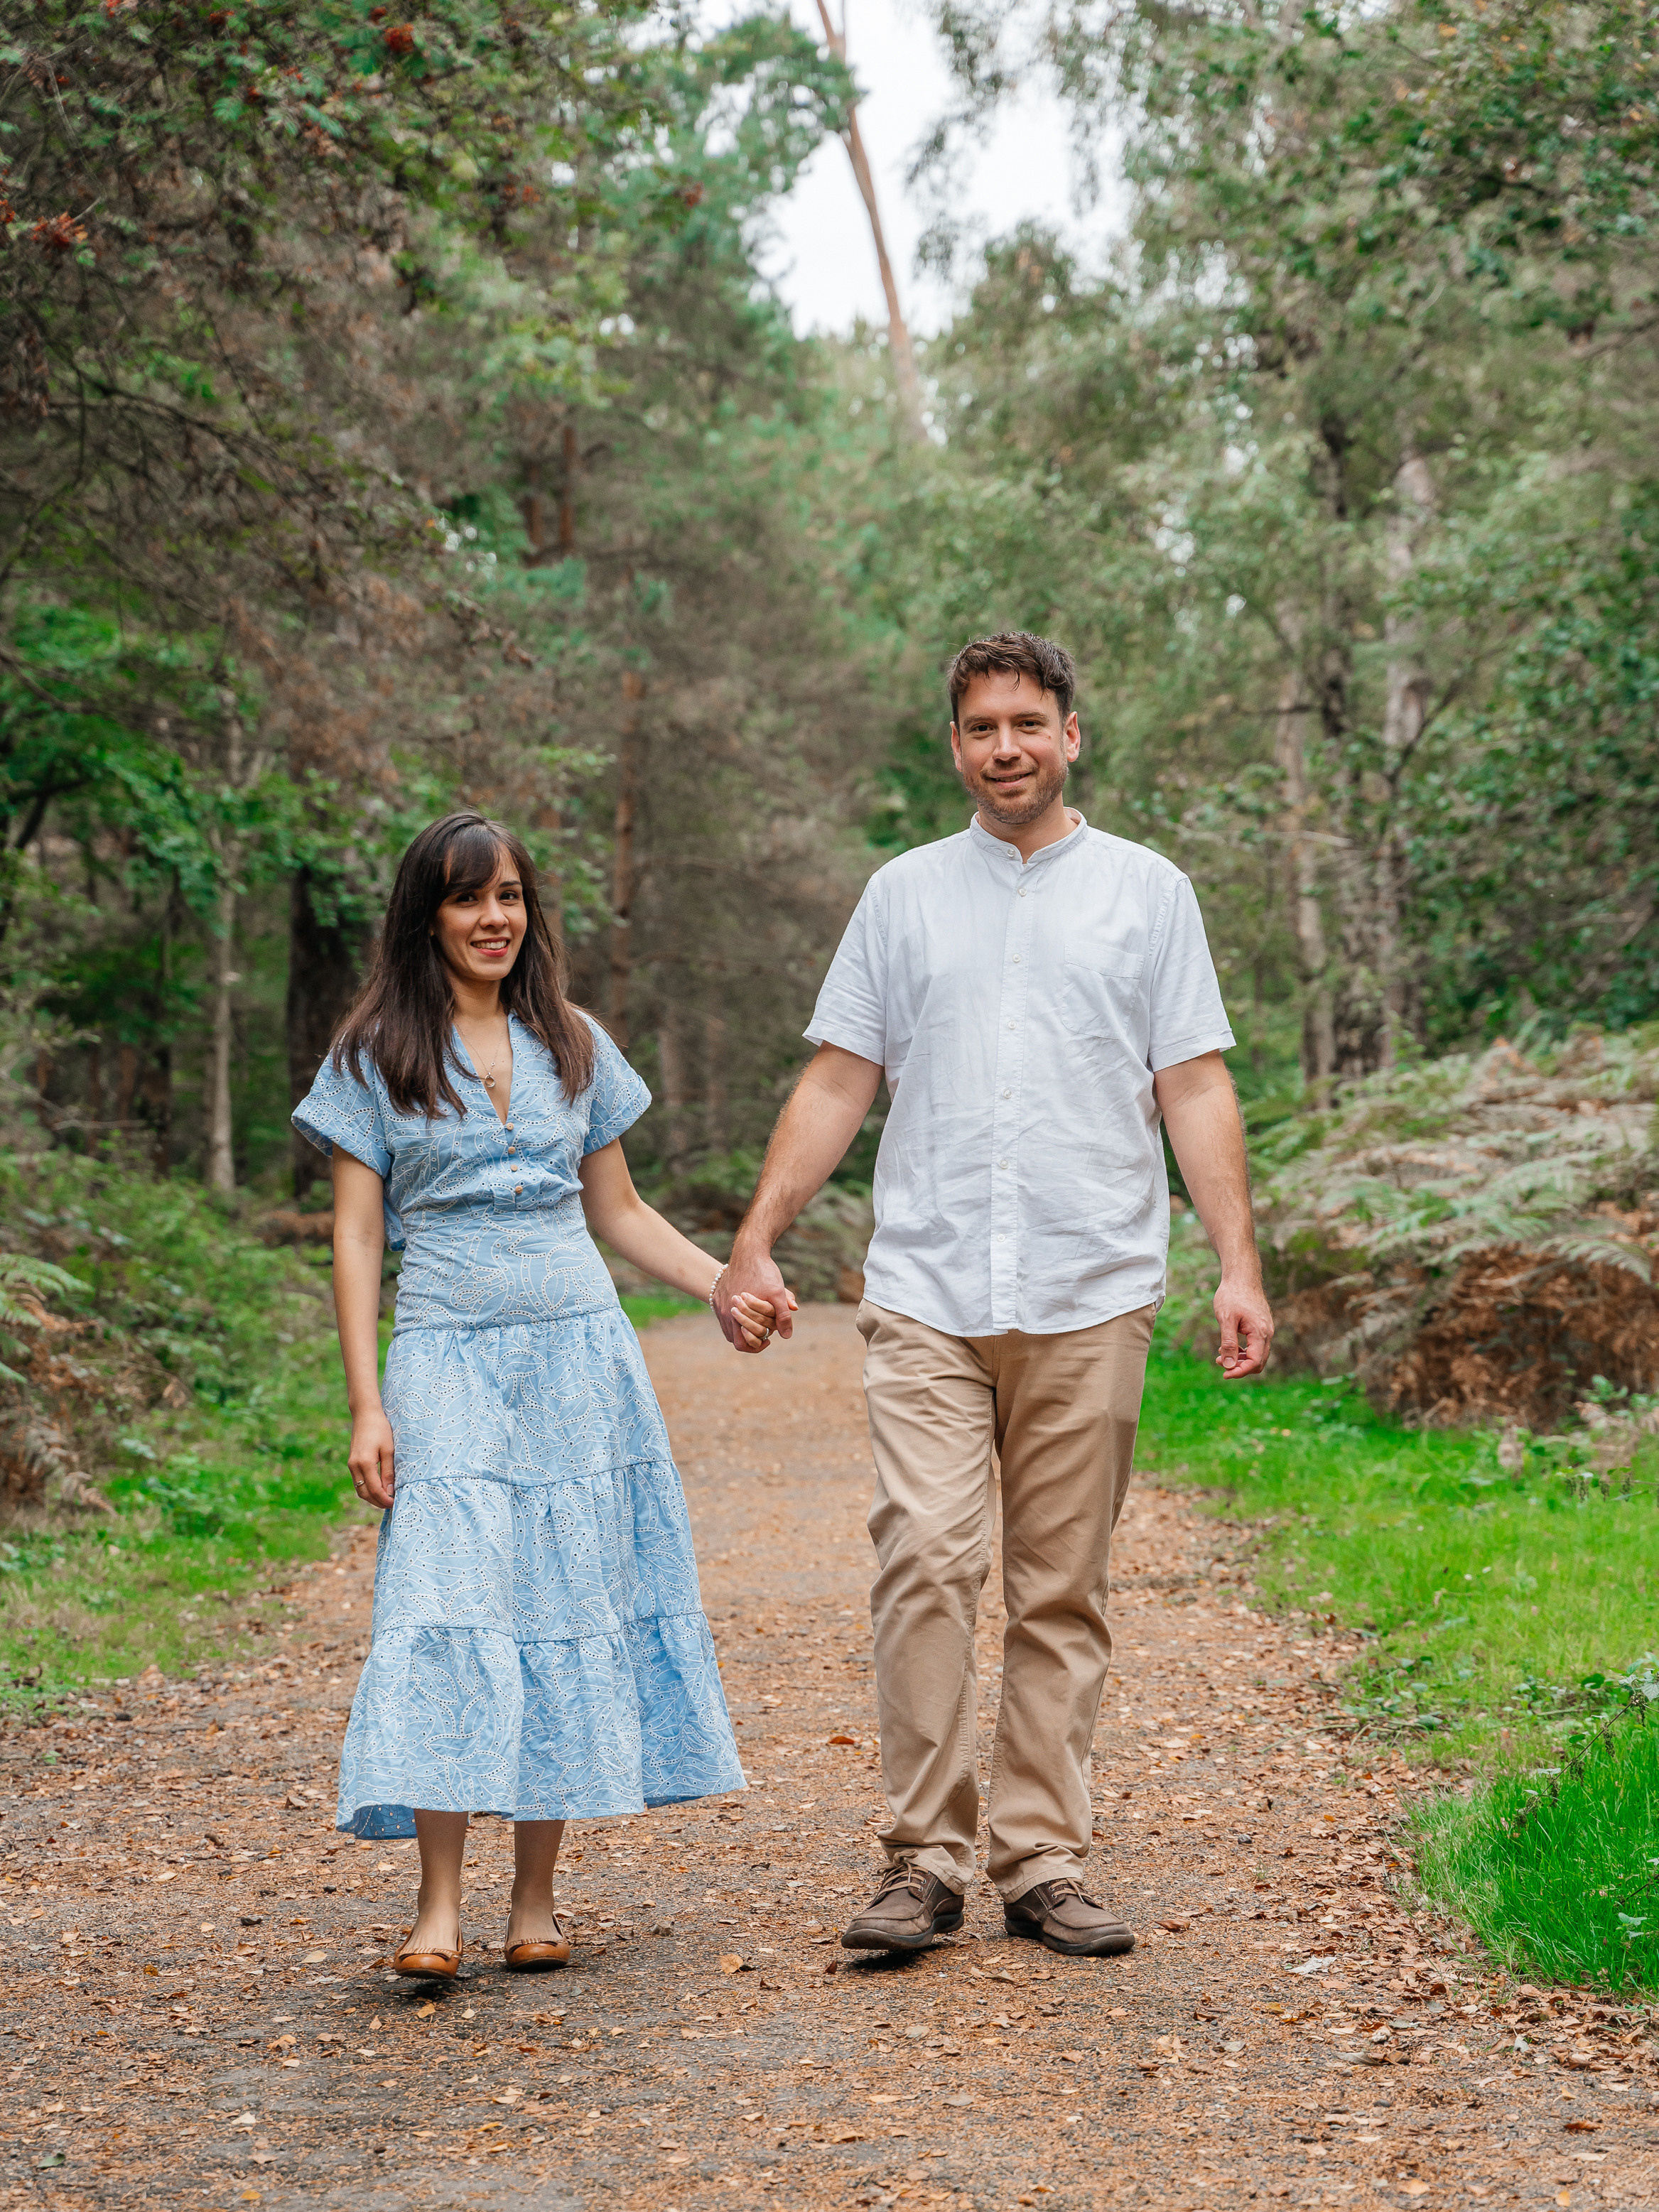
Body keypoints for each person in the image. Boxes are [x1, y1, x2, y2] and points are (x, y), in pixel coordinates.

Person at [713, 631, 1274, 1961]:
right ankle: (922, 1860)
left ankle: (1042, 1860)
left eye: (1028, 722)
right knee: (923, 1559)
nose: (1005, 747)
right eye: (981, 728)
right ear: (955, 746)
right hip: (927, 1286)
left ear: (1071, 734)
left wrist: (1237, 1263)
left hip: (1093, 1287)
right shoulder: (903, 897)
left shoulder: (1150, 894)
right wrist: (754, 1240)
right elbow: (841, 1078)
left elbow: (1192, 1083)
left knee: (1061, 1588)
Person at [293, 809, 776, 1980]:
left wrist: (721, 1283)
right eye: (468, 899)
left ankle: (537, 1900)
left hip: (577, 1352)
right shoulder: (372, 1057)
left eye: (508, 897)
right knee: (451, 1607)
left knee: (562, 1601)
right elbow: (357, 1243)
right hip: (448, 1354)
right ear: (428, 916)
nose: (492, 918)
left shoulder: (574, 1042)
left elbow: (616, 1212)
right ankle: (437, 1907)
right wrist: (367, 1403)